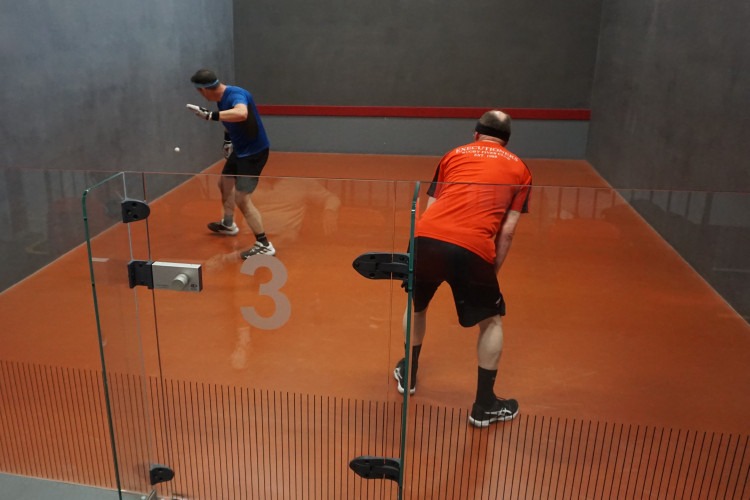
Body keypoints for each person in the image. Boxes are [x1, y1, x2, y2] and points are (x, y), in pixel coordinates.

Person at [394, 110, 532, 428]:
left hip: (426, 239)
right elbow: (508, 231)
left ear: (476, 134)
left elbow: (431, 206)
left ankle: (409, 375)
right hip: (473, 248)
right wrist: (490, 272)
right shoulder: (521, 169)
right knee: (491, 321)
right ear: (507, 140)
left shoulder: (454, 154)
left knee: (416, 305)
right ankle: (484, 406)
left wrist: (419, 246)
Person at [187, 69, 275, 259]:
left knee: (242, 199)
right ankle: (228, 224)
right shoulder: (221, 98)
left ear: (203, 90)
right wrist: (228, 141)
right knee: (224, 184)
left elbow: (241, 113)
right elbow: (229, 120)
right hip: (240, 150)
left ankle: (264, 244)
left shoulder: (236, 94)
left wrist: (210, 116)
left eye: (198, 92)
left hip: (254, 154)